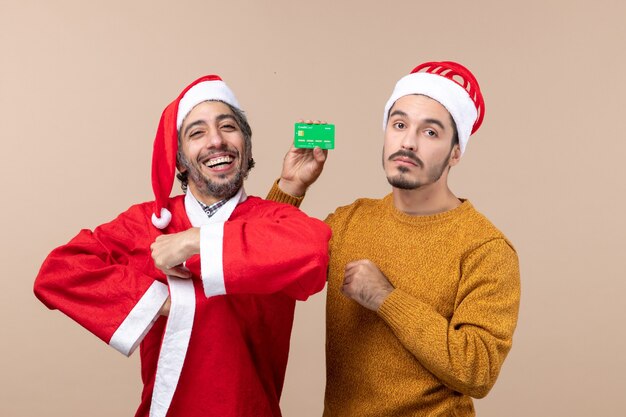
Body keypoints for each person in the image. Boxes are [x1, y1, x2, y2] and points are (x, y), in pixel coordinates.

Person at [33, 75, 331, 417]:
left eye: (228, 127)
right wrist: (156, 302)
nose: (216, 141)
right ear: (177, 159)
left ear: (246, 145)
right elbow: (58, 271)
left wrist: (195, 241)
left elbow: (313, 251)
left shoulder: (273, 220)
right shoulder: (147, 223)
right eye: (197, 132)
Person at [266, 61, 521, 416]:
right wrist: (291, 187)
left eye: (430, 133)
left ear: (456, 152)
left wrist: (387, 299)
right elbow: (265, 271)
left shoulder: (486, 249)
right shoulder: (350, 221)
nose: (408, 142)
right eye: (399, 125)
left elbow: (477, 371)